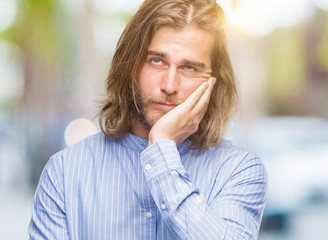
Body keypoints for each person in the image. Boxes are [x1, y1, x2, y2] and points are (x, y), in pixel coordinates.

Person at [29, 0, 267, 239]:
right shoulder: (65, 171)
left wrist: (162, 148)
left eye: (190, 68)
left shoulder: (239, 171)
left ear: (212, 82)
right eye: (156, 61)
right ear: (130, 65)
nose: (169, 86)